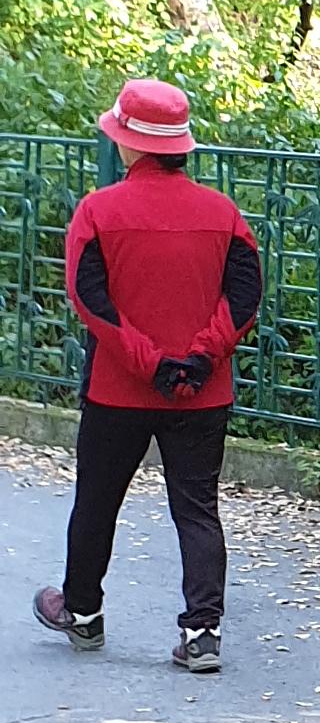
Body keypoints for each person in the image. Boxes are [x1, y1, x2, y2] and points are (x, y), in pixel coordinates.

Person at [32, 78, 264, 677]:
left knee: (98, 499)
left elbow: (90, 301)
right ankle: (203, 633)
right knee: (197, 508)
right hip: (201, 392)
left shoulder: (97, 211)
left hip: (118, 389)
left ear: (131, 144)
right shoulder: (224, 214)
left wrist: (149, 362)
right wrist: (199, 359)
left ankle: (82, 612)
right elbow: (245, 297)